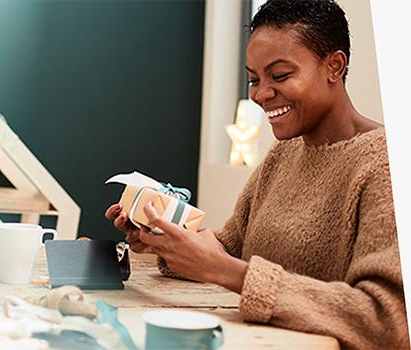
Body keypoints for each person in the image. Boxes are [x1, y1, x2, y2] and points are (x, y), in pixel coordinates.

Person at [104, 0, 408, 348]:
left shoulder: (385, 164)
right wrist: (165, 238)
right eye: (253, 79)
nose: (261, 94)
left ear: (334, 66)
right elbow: (230, 247)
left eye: (280, 76)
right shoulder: (283, 154)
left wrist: (221, 269)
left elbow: (388, 320)